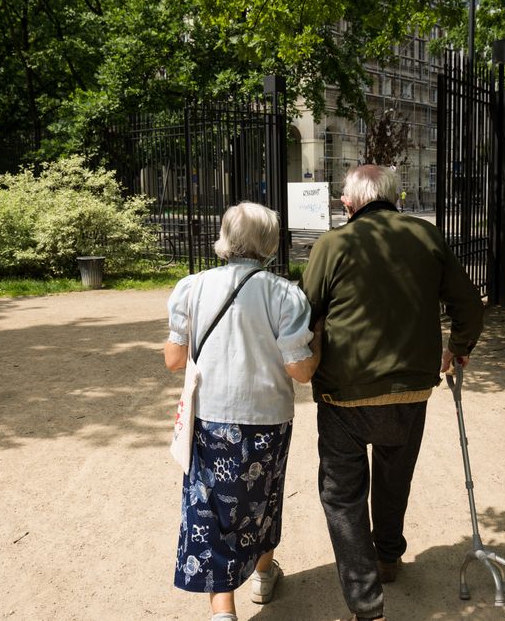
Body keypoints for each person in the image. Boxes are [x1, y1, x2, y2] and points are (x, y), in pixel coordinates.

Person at [301, 164, 484, 621]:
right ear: (393, 196)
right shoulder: (427, 236)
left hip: (344, 391)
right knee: (393, 475)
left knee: (342, 494)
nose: (342, 202)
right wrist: (457, 349)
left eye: (344, 196)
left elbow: (304, 313)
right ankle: (388, 556)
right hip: (410, 388)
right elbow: (468, 306)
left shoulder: (332, 244)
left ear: (352, 202)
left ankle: (365, 603)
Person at [164, 202, 322, 621]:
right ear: (269, 243)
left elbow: (174, 360)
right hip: (268, 416)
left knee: (208, 509)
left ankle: (223, 612)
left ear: (225, 238)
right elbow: (301, 371)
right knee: (263, 497)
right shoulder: (284, 293)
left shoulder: (191, 287)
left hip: (211, 414)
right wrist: (318, 343)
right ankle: (263, 576)